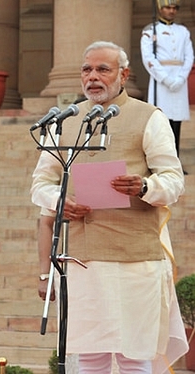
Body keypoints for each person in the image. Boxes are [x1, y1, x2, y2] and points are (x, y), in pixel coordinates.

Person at [31, 41, 188, 374]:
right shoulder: (66, 121)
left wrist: (145, 186)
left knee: (135, 355)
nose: (93, 77)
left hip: (136, 259)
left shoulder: (149, 117)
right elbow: (40, 184)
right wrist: (60, 202)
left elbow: (174, 181)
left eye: (103, 69)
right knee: (90, 356)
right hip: (82, 259)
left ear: (124, 74)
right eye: (87, 70)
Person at [140, 0, 193, 160]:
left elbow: (189, 56)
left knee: (177, 123)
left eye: (174, 8)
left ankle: (175, 161)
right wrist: (166, 79)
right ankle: (162, 161)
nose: (171, 11)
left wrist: (181, 77)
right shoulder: (150, 30)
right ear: (160, 9)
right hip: (161, 82)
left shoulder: (183, 31)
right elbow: (148, 57)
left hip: (179, 81)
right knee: (162, 123)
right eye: (168, 7)